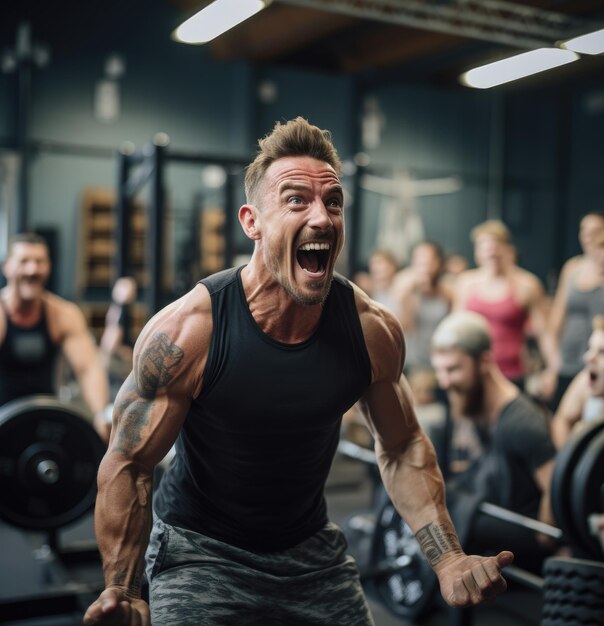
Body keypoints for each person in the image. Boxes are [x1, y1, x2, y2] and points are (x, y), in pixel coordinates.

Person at [83, 118, 512, 626]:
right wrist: (123, 588)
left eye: (333, 203)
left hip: (311, 555)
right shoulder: (189, 332)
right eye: (296, 201)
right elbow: (129, 464)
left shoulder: (370, 330)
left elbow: (401, 447)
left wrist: (447, 557)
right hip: (201, 551)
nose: (323, 218)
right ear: (251, 221)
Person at [430, 311, 556, 569]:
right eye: (439, 370)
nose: (444, 381)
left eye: (453, 369)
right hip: (492, 505)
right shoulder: (472, 402)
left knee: (454, 515)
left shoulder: (521, 422)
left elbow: (554, 487)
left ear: (484, 361)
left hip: (521, 532)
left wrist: (545, 540)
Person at [0, 232, 110, 440]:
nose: (33, 269)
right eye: (24, 261)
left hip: (46, 420)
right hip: (2, 420)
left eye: (39, 262)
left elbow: (88, 369)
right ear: (8, 267)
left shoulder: (63, 314)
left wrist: (100, 415)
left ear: (48, 267)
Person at [454, 220, 555, 390]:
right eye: (484, 247)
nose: (490, 251)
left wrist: (552, 370)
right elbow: (455, 329)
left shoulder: (527, 285)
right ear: (477, 252)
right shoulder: (465, 283)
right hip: (473, 373)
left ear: (507, 249)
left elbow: (544, 333)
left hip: (511, 373)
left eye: (495, 246)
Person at [543, 212, 604, 409]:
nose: (588, 236)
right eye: (584, 230)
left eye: (596, 231)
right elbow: (555, 323)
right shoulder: (572, 268)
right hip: (567, 363)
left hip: (600, 367)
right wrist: (553, 366)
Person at [551, 307, 604, 449]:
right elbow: (561, 421)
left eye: (603, 352)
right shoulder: (584, 381)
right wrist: (572, 458)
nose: (588, 358)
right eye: (590, 348)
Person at [393, 240, 453, 374]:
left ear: (439, 263)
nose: (425, 266)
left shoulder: (447, 290)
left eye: (429, 261)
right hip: (411, 363)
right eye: (419, 261)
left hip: (438, 362)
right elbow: (404, 327)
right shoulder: (404, 287)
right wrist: (410, 295)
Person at [99, 276, 138, 402]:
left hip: (111, 358)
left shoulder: (117, 309)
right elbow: (113, 336)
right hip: (116, 361)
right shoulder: (121, 311)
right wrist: (121, 352)